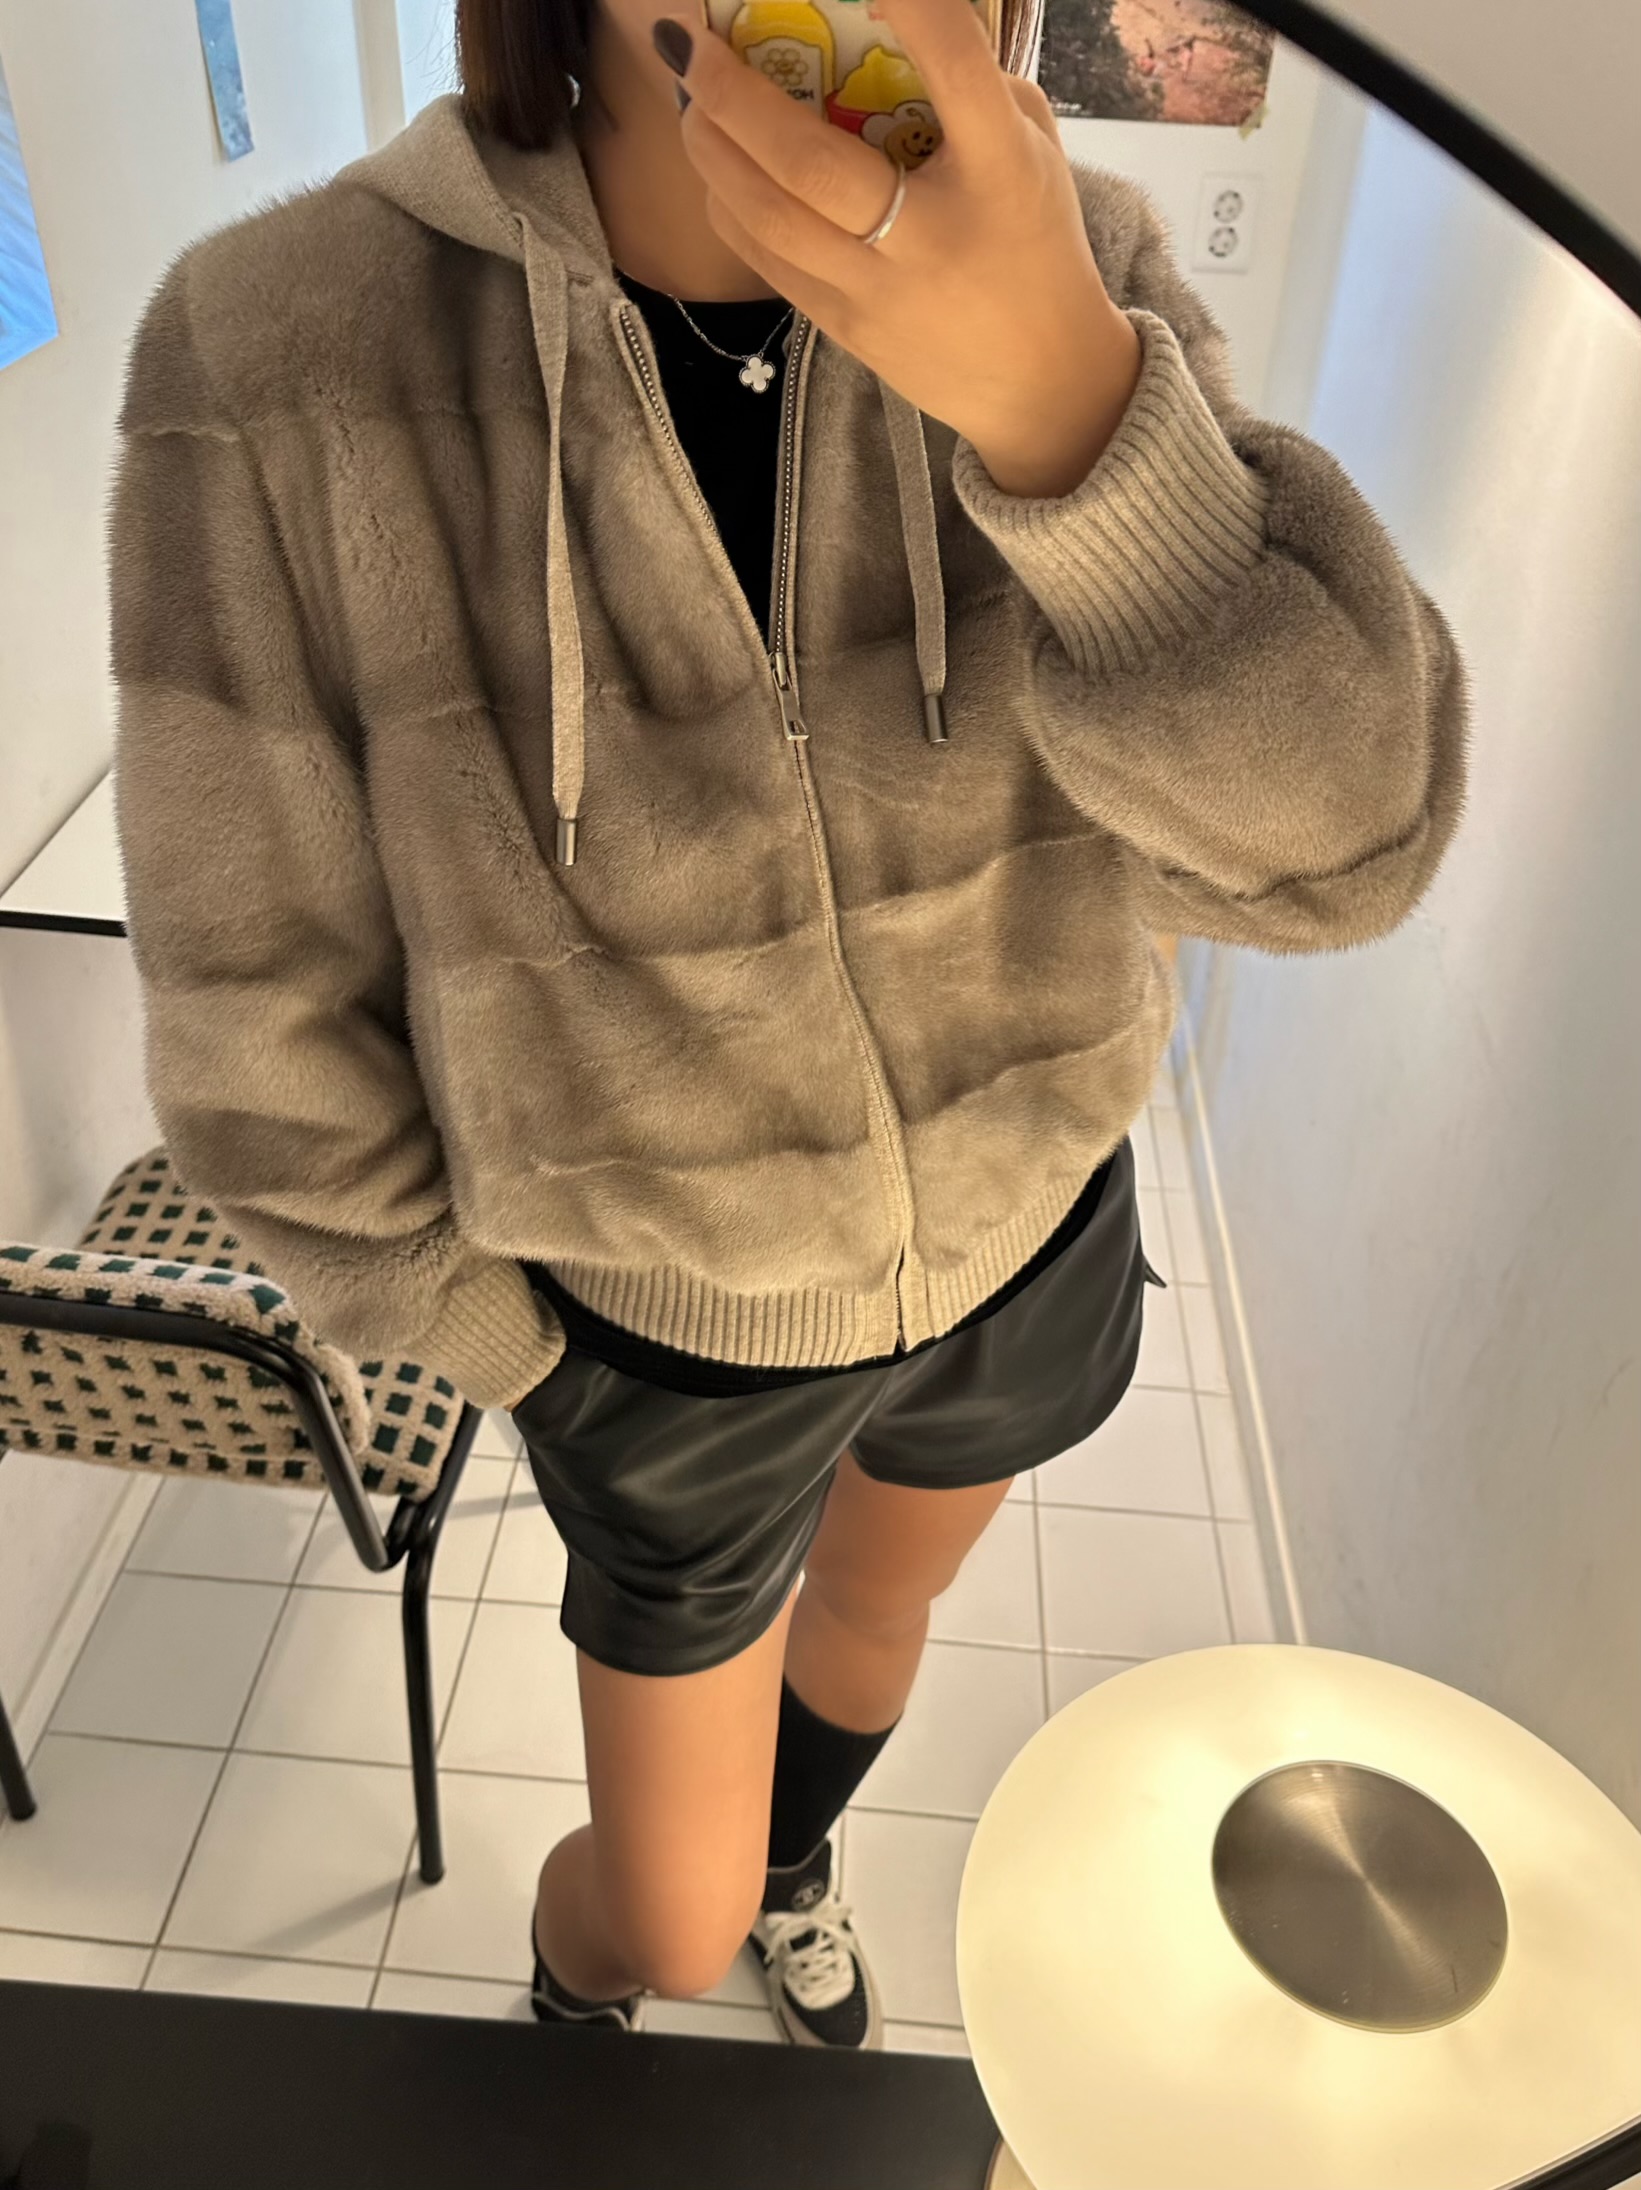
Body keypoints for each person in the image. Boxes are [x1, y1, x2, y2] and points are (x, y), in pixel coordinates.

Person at [108, 0, 1468, 2056]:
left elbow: (1340, 853)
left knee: (878, 1613)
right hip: (659, 1345)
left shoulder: (1077, 260)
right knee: (664, 1916)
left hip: (1027, 1243)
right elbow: (252, 987)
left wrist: (1073, 424)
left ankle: (799, 1857)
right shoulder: (279, 350)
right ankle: (590, 2003)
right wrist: (497, 1339)